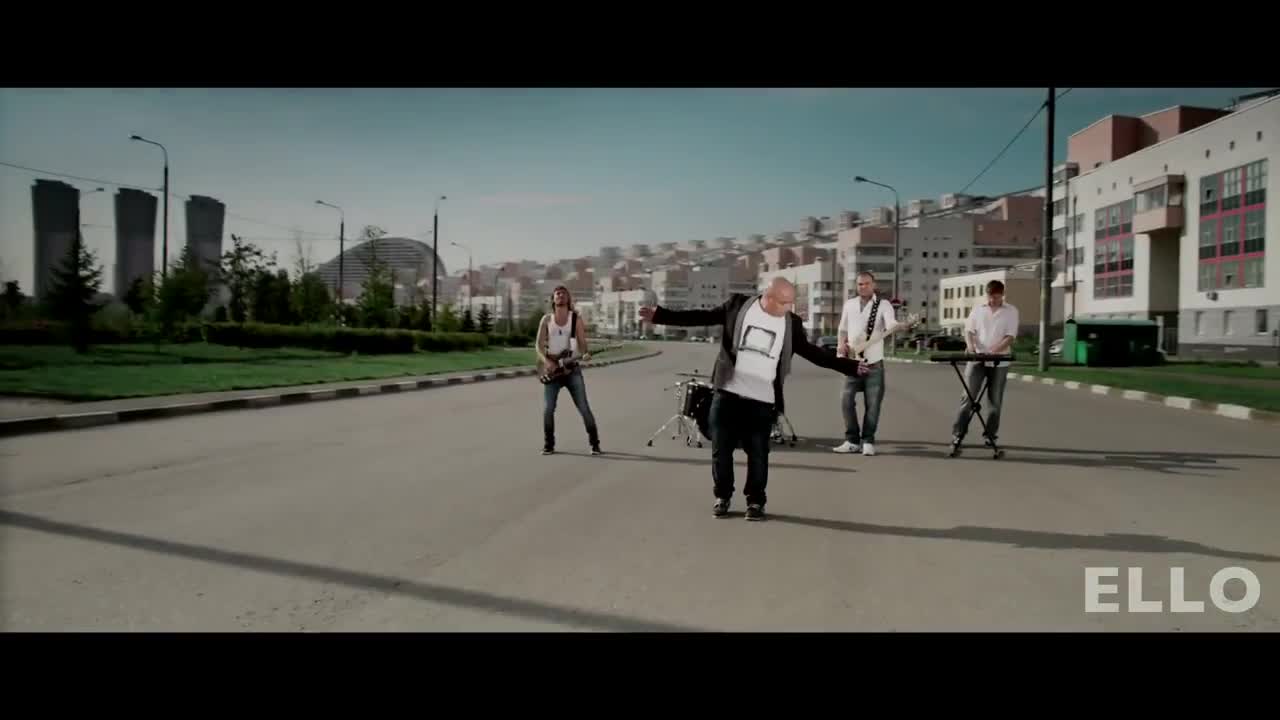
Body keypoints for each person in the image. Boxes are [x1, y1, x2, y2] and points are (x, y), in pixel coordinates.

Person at [639, 277, 861, 522]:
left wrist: (850, 366)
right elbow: (700, 317)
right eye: (783, 301)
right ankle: (722, 497)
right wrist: (660, 315)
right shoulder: (736, 306)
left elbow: (814, 353)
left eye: (789, 302)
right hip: (727, 393)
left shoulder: (791, 324)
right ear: (768, 296)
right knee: (721, 450)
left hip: (762, 399)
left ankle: (755, 501)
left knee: (758, 453)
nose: (787, 307)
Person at [833, 271, 898, 457]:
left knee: (873, 405)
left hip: (874, 363)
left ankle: (868, 441)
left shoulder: (883, 305)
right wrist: (841, 344)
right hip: (852, 363)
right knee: (846, 400)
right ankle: (852, 440)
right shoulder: (849, 304)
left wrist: (896, 325)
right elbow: (842, 329)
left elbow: (891, 323)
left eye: (867, 283)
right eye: (860, 284)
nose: (863, 287)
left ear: (873, 285)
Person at [951, 279, 1019, 449]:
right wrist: (970, 346)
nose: (992, 300)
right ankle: (958, 434)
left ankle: (990, 436)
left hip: (999, 361)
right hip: (977, 360)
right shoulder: (978, 310)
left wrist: (993, 352)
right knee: (968, 397)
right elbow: (969, 331)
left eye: (995, 297)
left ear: (1002, 295)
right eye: (989, 297)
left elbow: (1010, 336)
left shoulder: (1011, 311)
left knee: (995, 401)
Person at [535, 285, 602, 456]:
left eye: (564, 293)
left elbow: (582, 343)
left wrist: (585, 353)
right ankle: (549, 445)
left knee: (584, 407)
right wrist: (546, 362)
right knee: (548, 410)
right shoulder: (546, 320)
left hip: (572, 370)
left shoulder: (575, 319)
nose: (560, 295)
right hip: (552, 370)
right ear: (553, 299)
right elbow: (538, 346)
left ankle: (595, 444)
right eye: (557, 293)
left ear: (568, 298)